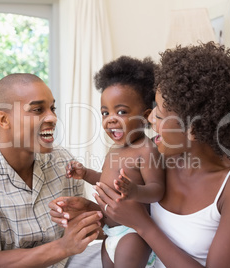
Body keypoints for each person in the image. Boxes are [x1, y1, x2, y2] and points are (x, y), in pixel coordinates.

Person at [92, 42, 230, 267]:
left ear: (193, 129)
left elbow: (137, 220)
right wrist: (91, 213)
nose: (150, 118)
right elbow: (123, 217)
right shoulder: (155, 152)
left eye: (160, 116)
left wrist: (144, 225)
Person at [0, 73, 103, 268]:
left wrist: (90, 215)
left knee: (121, 251)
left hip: (62, 263)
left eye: (52, 108)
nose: (53, 118)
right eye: (37, 109)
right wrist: (63, 247)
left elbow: (87, 234)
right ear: (3, 119)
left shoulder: (62, 160)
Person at [64, 56, 165, 268]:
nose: (111, 118)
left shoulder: (146, 149)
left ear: (146, 116)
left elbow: (157, 190)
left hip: (133, 234)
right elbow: (107, 181)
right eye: (105, 112)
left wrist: (134, 191)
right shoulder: (115, 149)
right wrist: (86, 174)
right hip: (109, 232)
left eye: (121, 112)